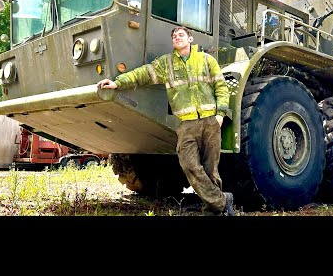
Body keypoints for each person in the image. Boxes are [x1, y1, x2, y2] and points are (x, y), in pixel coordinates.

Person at [97, 25, 236, 216]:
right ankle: (222, 201)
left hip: (210, 122)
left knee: (210, 169)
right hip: (186, 125)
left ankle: (212, 210)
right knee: (189, 165)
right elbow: (142, 74)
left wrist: (220, 114)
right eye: (174, 36)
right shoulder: (166, 64)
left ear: (190, 39)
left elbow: (221, 87)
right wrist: (118, 82)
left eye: (181, 35)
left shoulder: (206, 60)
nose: (177, 38)